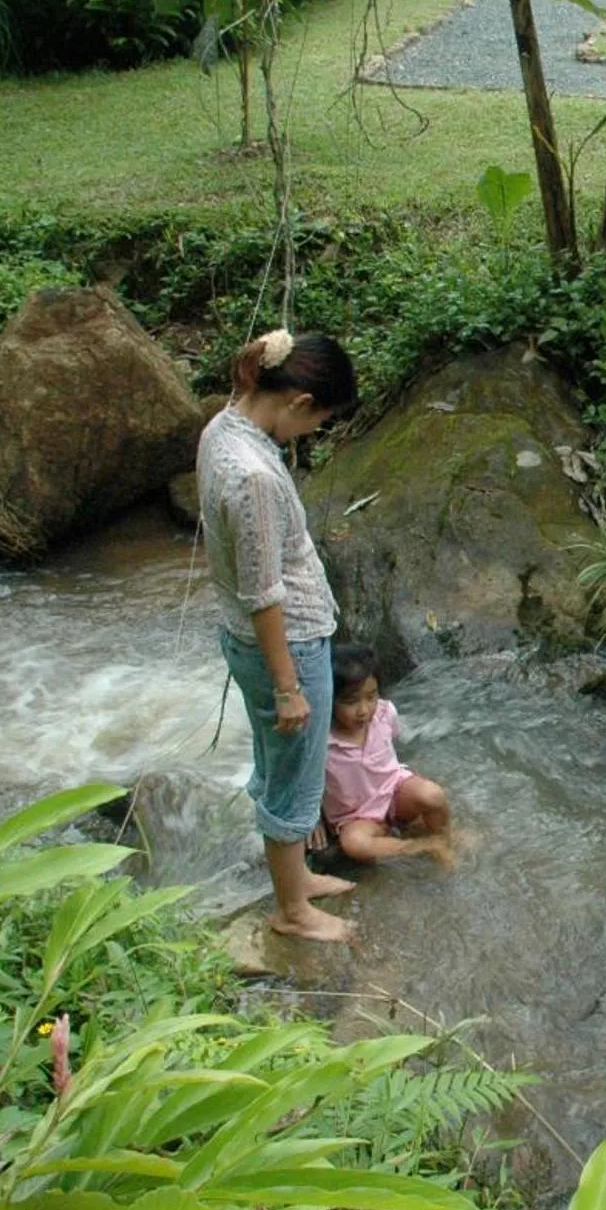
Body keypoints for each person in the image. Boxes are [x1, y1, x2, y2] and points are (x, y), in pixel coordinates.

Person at [197, 328, 360, 943]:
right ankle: (292, 911)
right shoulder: (256, 477)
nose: (313, 431)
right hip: (285, 646)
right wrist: (289, 688)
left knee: (277, 765)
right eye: (318, 420)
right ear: (299, 402)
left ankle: (296, 880)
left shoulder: (222, 428)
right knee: (294, 777)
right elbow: (264, 593)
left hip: (246, 641)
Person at [321, 643, 460, 868]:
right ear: (329, 699)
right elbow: (303, 783)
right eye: (351, 701)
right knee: (355, 844)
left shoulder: (385, 713)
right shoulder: (322, 740)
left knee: (432, 794)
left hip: (394, 793)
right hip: (356, 816)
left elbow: (390, 747)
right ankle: (422, 845)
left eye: (371, 697)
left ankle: (444, 839)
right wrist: (314, 822)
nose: (364, 710)